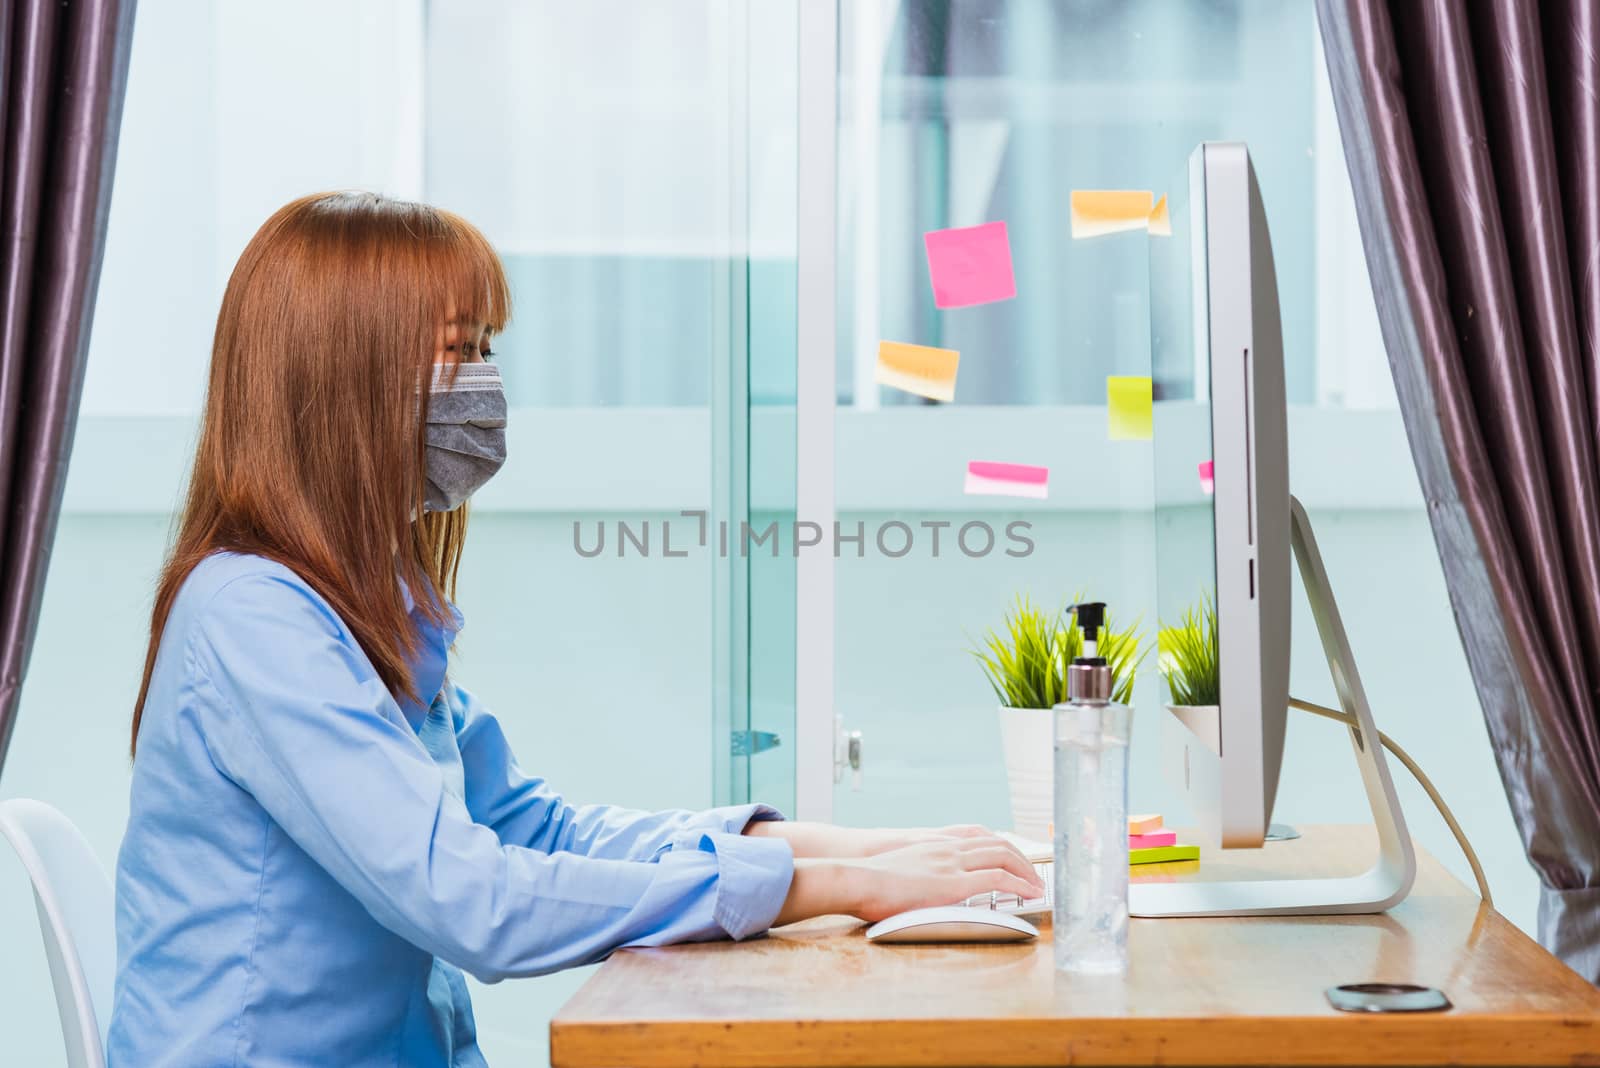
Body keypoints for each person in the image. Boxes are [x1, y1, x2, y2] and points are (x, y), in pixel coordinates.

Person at [107, 191, 1043, 1068]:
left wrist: (850, 850)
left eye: (487, 350)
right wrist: (832, 891)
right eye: (457, 350)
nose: (485, 386)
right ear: (345, 373)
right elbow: (472, 898)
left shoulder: (361, 602)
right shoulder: (253, 617)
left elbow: (532, 827)